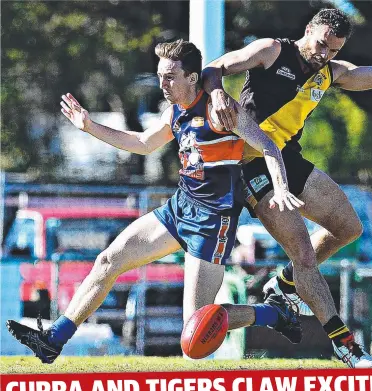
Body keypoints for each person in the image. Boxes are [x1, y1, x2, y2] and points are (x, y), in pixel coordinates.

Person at [6, 39, 306, 364]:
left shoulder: (221, 110)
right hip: (180, 209)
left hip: (212, 225)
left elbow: (269, 146)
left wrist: (280, 187)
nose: (162, 84)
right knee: (109, 260)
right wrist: (89, 126)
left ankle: (272, 313)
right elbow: (143, 143)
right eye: (160, 76)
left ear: (193, 78)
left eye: (170, 77)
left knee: (196, 330)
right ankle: (54, 340)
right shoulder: (174, 111)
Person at [203, 8, 372, 368]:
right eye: (320, 44)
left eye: (333, 49)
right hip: (247, 162)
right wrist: (218, 93)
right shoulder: (271, 50)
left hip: (285, 157)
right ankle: (345, 345)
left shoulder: (330, 73)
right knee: (305, 255)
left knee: (349, 228)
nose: (323, 54)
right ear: (308, 29)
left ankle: (283, 286)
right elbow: (214, 68)